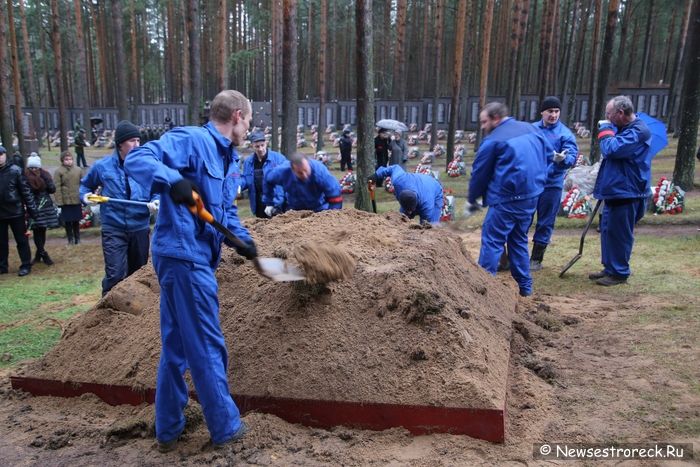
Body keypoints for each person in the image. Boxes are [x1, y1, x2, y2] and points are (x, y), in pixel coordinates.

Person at [124, 90, 254, 452]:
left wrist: (244, 242)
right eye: (250, 121)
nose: (250, 129)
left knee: (177, 345)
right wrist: (172, 179)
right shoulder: (193, 140)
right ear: (238, 116)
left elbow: (224, 214)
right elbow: (138, 159)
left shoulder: (229, 161)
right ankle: (225, 428)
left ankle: (167, 429)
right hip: (184, 255)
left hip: (190, 256)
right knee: (207, 343)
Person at [467, 102, 550, 297]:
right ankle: (525, 288)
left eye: (484, 121)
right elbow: (547, 155)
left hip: (506, 198)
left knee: (492, 241)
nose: (482, 126)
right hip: (531, 196)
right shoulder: (531, 129)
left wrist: (472, 199)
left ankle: (483, 291)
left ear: (496, 118)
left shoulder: (493, 141)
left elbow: (479, 173)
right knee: (518, 239)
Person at [80, 120, 159, 296]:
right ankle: (106, 312)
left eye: (138, 141)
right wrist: (86, 197)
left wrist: (156, 201)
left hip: (139, 227)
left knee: (139, 273)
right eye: (132, 141)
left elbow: (157, 188)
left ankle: (135, 318)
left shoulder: (147, 166)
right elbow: (85, 187)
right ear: (120, 144)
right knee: (115, 274)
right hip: (113, 227)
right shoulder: (103, 167)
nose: (136, 145)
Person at [590, 95, 654, 286]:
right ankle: (610, 267)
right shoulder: (625, 129)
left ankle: (619, 272)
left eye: (608, 114)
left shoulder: (638, 131)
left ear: (620, 113)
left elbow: (611, 149)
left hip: (629, 191)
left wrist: (606, 129)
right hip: (616, 189)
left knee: (620, 233)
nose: (606, 117)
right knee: (608, 230)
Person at [529, 96, 579, 271]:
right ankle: (516, 256)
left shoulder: (565, 133)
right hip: (531, 183)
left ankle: (536, 259)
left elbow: (572, 155)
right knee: (523, 219)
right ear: (542, 112)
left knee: (545, 221)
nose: (553, 115)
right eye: (550, 111)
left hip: (552, 184)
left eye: (556, 111)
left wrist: (564, 160)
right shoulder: (532, 130)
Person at [0, 145, 37, 276]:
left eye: (1, 154)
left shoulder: (15, 171)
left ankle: (26, 264)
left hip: (16, 211)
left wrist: (32, 210)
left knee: (21, 240)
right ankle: (2, 265)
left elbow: (26, 191)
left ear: (5, 155)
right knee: (1, 242)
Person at [263, 152, 343, 212]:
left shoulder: (320, 172)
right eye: (300, 173)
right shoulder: (283, 172)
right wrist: (269, 203)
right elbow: (268, 180)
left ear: (308, 163)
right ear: (293, 170)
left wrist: (332, 215)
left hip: (319, 208)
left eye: (306, 170)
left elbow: (335, 196)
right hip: (294, 210)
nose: (304, 175)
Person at [375, 164, 443, 224]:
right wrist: (375, 175)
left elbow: (426, 224)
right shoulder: (398, 181)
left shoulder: (427, 205)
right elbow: (394, 168)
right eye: (407, 209)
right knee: (402, 218)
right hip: (418, 184)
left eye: (410, 210)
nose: (409, 212)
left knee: (431, 225)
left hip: (434, 189)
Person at [240, 131, 287, 218]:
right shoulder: (248, 162)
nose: (260, 149)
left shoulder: (279, 159)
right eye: (257, 146)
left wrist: (276, 204)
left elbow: (283, 183)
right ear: (252, 146)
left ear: (266, 143)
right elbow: (246, 180)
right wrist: (237, 186)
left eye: (262, 145)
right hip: (258, 203)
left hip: (277, 205)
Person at [24, 154, 59, 266]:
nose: (34, 170)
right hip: (33, 205)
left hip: (45, 205)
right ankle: (43, 253)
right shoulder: (25, 177)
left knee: (42, 229)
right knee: (36, 229)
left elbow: (52, 189)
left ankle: (39, 254)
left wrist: (47, 180)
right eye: (31, 168)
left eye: (36, 167)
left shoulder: (45, 175)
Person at [54, 150, 84, 245]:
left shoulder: (78, 170)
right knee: (68, 221)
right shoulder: (59, 171)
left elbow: (83, 184)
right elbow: (57, 187)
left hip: (76, 199)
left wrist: (83, 197)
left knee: (76, 220)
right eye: (66, 159)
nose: (69, 161)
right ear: (62, 160)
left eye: (70, 159)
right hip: (65, 200)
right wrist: (59, 201)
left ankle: (77, 238)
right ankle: (70, 239)